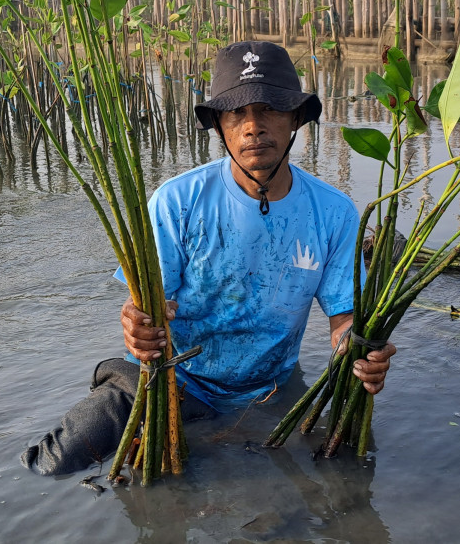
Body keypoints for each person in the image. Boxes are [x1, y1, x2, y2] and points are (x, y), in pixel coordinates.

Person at [22, 41, 395, 475]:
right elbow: (145, 303)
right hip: (175, 383)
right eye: (237, 113)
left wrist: (363, 354)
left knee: (342, 469)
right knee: (52, 465)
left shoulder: (334, 212)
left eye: (270, 108)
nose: (253, 127)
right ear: (219, 125)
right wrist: (137, 324)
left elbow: (344, 320)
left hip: (271, 393)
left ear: (295, 118)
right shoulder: (177, 201)